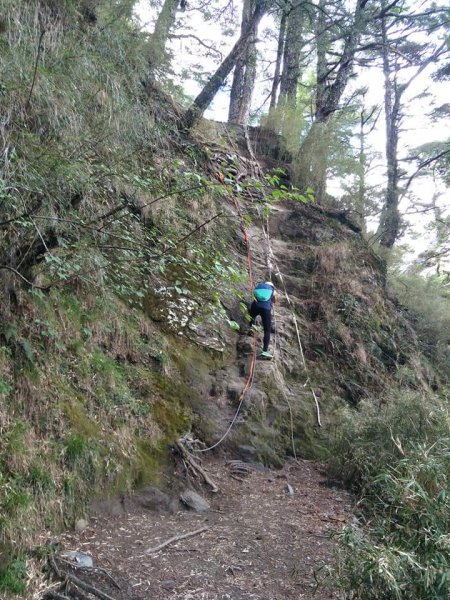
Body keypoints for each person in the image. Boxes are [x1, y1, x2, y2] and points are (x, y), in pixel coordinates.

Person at [248, 281, 276, 359]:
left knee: (252, 317)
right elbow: (274, 300)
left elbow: (254, 294)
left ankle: (251, 328)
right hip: (266, 308)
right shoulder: (272, 289)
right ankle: (265, 351)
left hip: (255, 305)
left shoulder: (259, 286)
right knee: (267, 330)